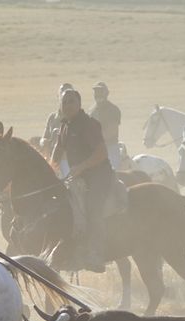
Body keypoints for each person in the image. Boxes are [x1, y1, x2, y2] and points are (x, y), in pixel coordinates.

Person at [51, 88, 115, 273]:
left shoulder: (88, 124)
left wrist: (82, 167)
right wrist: (49, 169)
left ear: (79, 104)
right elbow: (57, 151)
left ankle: (96, 253)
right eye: (64, 102)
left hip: (99, 176)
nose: (67, 105)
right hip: (78, 177)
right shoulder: (65, 125)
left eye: (71, 101)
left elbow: (102, 153)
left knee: (92, 209)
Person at [90, 81, 122, 170]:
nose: (98, 94)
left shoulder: (113, 110)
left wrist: (94, 139)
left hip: (110, 148)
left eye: (100, 92)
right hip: (94, 149)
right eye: (96, 92)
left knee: (113, 171)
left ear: (106, 93)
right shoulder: (92, 110)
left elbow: (112, 131)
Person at [41, 83, 73, 166]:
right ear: (58, 96)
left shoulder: (78, 118)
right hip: (53, 159)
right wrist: (44, 142)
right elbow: (44, 138)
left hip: (70, 161)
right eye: (62, 93)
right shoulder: (52, 117)